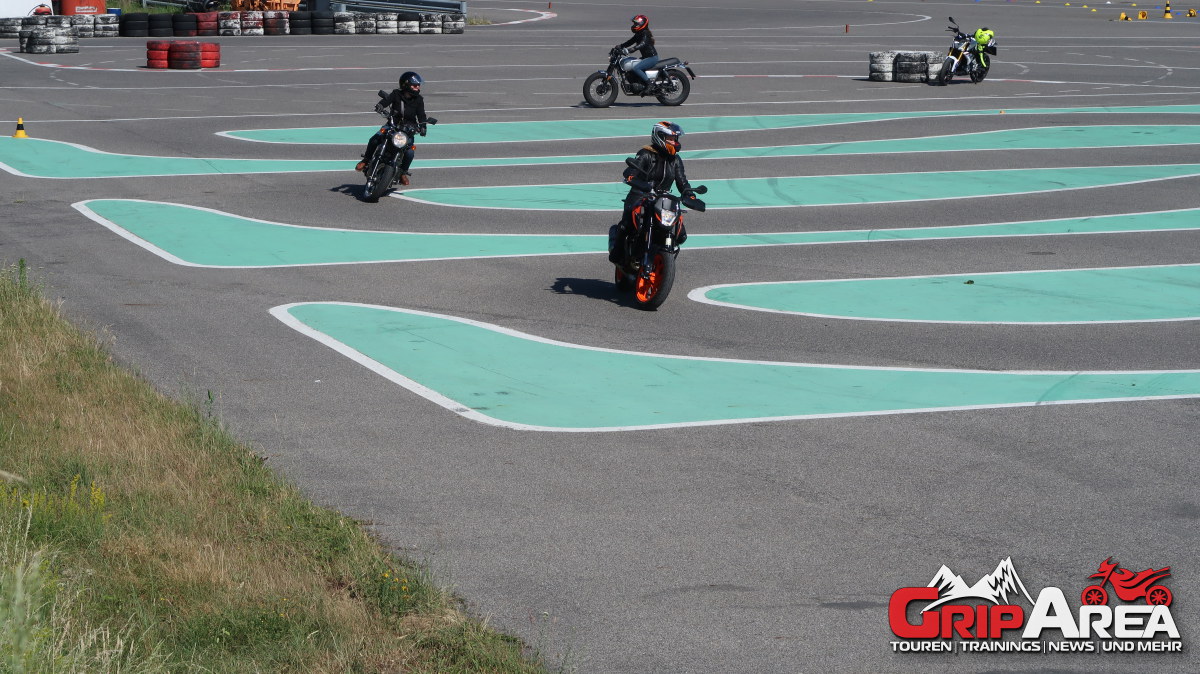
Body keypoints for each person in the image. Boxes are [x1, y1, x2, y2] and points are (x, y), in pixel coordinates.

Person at [609, 121, 696, 265]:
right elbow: (632, 171)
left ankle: (664, 259)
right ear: (660, 137)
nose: (675, 142)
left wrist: (689, 194)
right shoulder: (645, 153)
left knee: (681, 235)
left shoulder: (675, 160)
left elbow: (682, 181)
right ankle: (616, 252)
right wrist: (632, 177)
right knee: (628, 223)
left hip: (663, 199)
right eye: (671, 139)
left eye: (675, 139)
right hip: (640, 194)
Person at [356, 71, 428, 186]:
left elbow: (421, 114)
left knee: (410, 152)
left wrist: (423, 126)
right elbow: (386, 100)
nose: (417, 87)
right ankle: (366, 160)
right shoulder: (396, 94)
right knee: (375, 139)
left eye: (418, 85)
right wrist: (380, 106)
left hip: (408, 130)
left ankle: (402, 172)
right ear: (406, 85)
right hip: (393, 125)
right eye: (414, 85)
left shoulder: (419, 99)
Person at [614, 14, 658, 92]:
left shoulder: (645, 33)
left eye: (636, 23)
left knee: (636, 68)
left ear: (642, 24)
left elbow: (643, 43)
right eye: (634, 23)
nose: (634, 25)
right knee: (632, 67)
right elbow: (630, 41)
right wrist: (620, 46)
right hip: (645, 57)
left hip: (652, 58)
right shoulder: (639, 33)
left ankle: (650, 84)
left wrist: (632, 49)